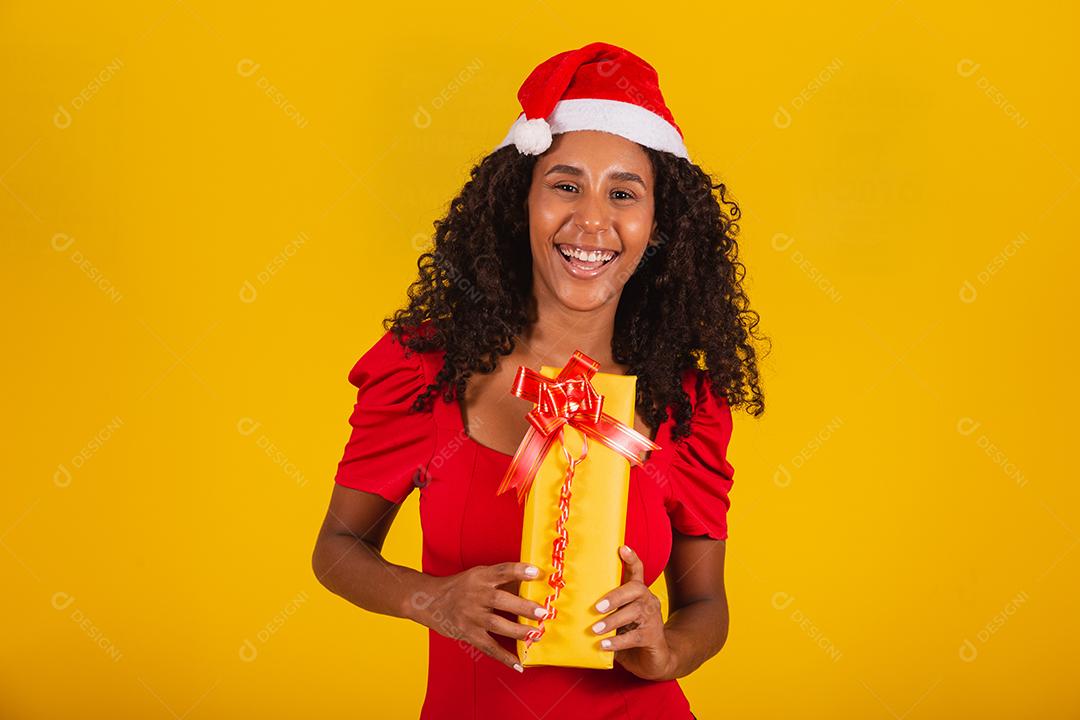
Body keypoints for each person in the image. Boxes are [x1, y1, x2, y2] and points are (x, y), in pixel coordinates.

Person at [311, 41, 767, 719]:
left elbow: (704, 605)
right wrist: (431, 599)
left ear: (658, 224)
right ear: (518, 203)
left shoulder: (685, 406)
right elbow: (338, 550)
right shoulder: (425, 372)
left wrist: (664, 649)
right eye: (564, 184)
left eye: (623, 193)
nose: (592, 220)